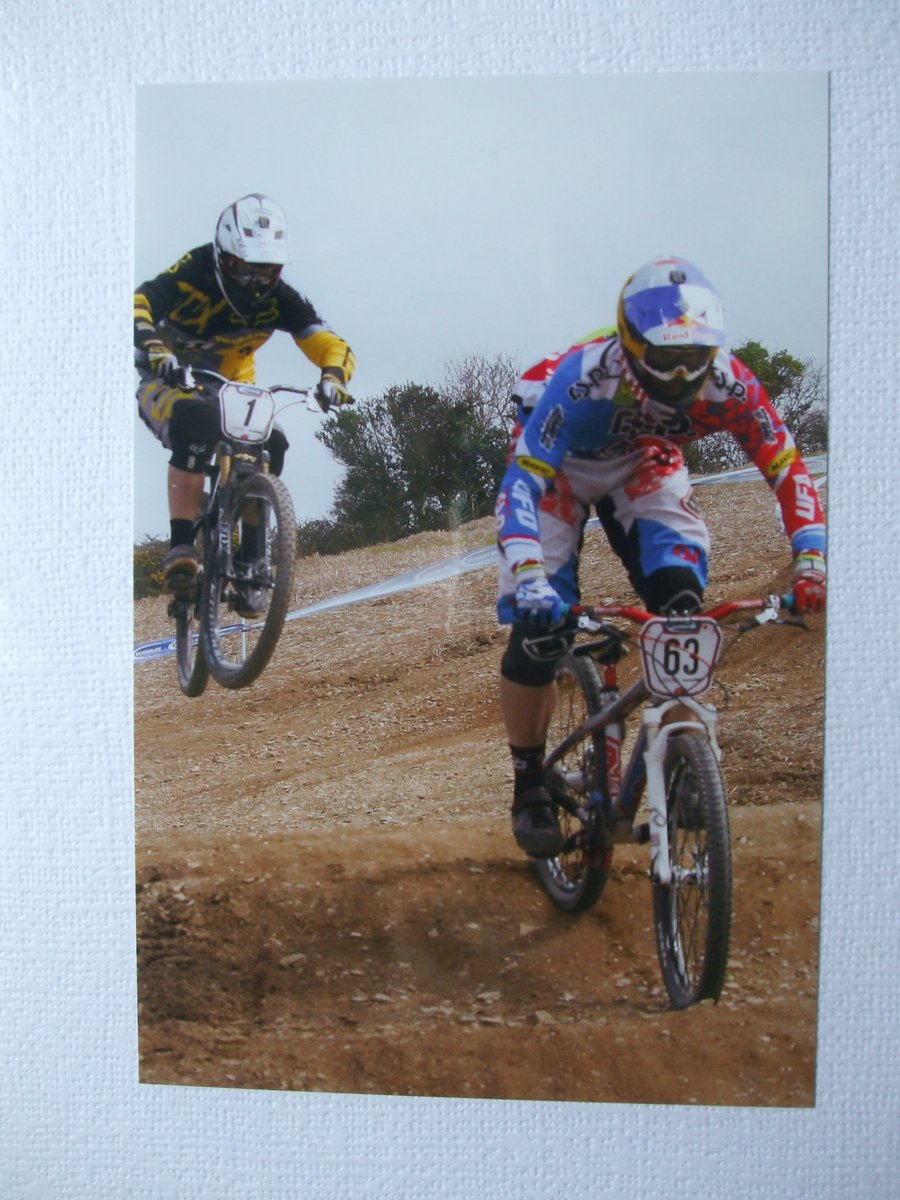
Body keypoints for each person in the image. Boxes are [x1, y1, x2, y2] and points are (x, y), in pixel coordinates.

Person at [495, 255, 826, 857]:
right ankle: (528, 784)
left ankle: (681, 750)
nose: (680, 377)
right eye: (665, 361)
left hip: (647, 459)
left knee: (681, 605)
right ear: (628, 346)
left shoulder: (730, 381)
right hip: (560, 473)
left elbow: (784, 464)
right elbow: (523, 481)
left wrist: (811, 556)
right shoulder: (583, 377)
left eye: (693, 362)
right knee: (536, 629)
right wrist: (530, 578)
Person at [134, 192, 355, 613]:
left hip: (230, 386)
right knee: (196, 424)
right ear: (223, 257)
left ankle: (253, 558)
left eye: (266, 272)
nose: (255, 282)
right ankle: (181, 546)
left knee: (272, 442)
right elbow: (138, 303)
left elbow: (327, 340)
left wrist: (333, 377)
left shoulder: (280, 299)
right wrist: (155, 350)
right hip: (167, 380)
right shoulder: (193, 273)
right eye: (244, 269)